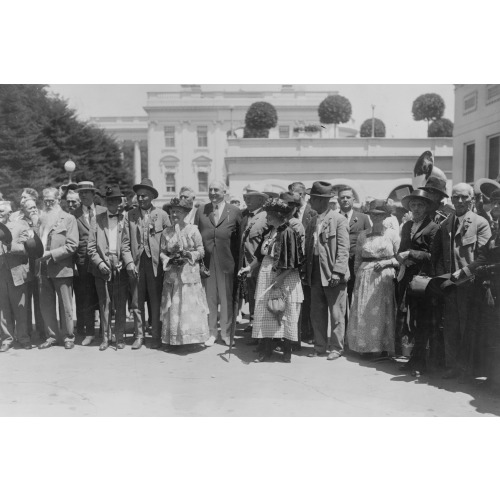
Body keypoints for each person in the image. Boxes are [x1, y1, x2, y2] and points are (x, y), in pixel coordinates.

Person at [431, 183, 491, 378]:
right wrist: (443, 277)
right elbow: (438, 255)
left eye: (464, 197)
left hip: (470, 285)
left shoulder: (480, 222)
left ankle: (468, 369)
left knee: (469, 327)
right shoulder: (445, 224)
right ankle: (453, 366)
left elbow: (483, 257)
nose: (460, 201)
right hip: (449, 285)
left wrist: (461, 274)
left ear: (471, 199)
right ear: (451, 199)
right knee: (450, 326)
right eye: (456, 197)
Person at [239, 198, 304, 363]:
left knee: (284, 311)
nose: (266, 218)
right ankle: (265, 349)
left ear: (277, 216)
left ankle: (286, 351)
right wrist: (249, 268)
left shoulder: (288, 232)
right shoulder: (269, 232)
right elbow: (260, 256)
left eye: (269, 215)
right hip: (266, 273)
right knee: (265, 312)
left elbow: (292, 262)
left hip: (284, 276)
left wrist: (279, 279)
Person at [452, 188, 500, 383]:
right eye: (495, 203)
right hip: (493, 286)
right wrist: (475, 269)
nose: (496, 207)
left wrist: (478, 269)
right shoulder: (495, 229)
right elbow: (483, 256)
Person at [346, 199, 400, 356]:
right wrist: (358, 275)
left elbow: (400, 258)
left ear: (385, 216)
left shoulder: (392, 235)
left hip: (384, 277)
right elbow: (357, 259)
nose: (376, 218)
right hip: (364, 278)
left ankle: (381, 348)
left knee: (381, 313)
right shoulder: (363, 235)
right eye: (373, 215)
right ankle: (364, 346)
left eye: (380, 215)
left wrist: (386, 262)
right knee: (364, 311)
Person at [122, 178, 171, 350]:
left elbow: (169, 240)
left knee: (156, 300)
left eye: (144, 195)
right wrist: (128, 263)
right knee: (136, 301)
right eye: (138, 196)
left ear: (151, 196)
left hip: (155, 263)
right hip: (137, 263)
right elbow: (125, 243)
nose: (141, 199)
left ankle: (156, 335)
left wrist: (166, 258)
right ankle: (139, 335)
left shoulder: (162, 215)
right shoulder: (130, 215)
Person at [304, 181, 350, 360]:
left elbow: (343, 248)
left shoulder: (338, 220)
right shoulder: (313, 220)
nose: (310, 203)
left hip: (332, 271)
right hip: (315, 271)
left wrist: (338, 272)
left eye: (312, 199)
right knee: (317, 311)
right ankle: (320, 345)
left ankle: (336, 348)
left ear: (321, 200)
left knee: (337, 312)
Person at [396, 189, 439, 376]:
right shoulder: (407, 226)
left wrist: (414, 254)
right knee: (409, 319)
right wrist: (401, 258)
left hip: (423, 280)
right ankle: (413, 358)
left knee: (422, 319)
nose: (416, 208)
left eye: (420, 205)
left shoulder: (433, 228)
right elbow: (401, 249)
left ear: (427, 207)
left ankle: (421, 361)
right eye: (413, 205)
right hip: (407, 277)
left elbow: (434, 257)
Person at [194, 181, 241, 347]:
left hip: (227, 261)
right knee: (209, 298)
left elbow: (239, 241)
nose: (213, 192)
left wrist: (239, 264)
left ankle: (226, 333)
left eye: (216, 190)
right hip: (207, 261)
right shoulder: (201, 210)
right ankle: (211, 332)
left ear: (224, 191)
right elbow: (196, 237)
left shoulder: (234, 211)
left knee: (226, 297)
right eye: (210, 189)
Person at [159, 197, 209, 346]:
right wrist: (168, 259)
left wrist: (189, 255)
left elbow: (201, 250)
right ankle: (172, 339)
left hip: (189, 275)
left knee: (189, 306)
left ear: (185, 213)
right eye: (172, 212)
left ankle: (192, 339)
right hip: (172, 276)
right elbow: (162, 252)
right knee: (173, 306)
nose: (174, 215)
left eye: (178, 212)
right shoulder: (166, 232)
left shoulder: (192, 230)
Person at [87, 186, 129, 351]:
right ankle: (105, 337)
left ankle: (119, 337)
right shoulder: (96, 220)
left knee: (120, 303)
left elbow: (127, 244)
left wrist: (123, 262)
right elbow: (91, 247)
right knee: (105, 304)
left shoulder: (125, 219)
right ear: (106, 202)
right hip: (102, 264)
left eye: (118, 201)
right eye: (111, 201)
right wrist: (100, 263)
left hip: (119, 264)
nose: (116, 204)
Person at [37, 187, 79, 349]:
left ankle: (68, 336)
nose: (47, 203)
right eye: (45, 199)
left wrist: (51, 254)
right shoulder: (41, 219)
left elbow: (72, 245)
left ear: (58, 200)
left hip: (62, 268)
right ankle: (52, 336)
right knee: (46, 305)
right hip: (42, 268)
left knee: (65, 305)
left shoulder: (68, 219)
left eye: (51, 200)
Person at [72, 181, 106, 346]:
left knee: (103, 296)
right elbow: (71, 241)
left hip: (101, 261)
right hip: (83, 263)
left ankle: (105, 331)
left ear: (94, 194)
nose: (83, 195)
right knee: (86, 298)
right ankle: (90, 333)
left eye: (86, 192)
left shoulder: (103, 211)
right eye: (81, 193)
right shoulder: (74, 215)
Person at [0, 201, 32, 351]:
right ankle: (7, 339)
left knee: (20, 307)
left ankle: (23, 337)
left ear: (9, 212)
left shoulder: (20, 225)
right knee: (2, 308)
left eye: (1, 211)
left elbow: (27, 248)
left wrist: (8, 245)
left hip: (16, 272)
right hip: (1, 274)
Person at [289, 181, 317, 344]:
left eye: (294, 193)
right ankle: (296, 333)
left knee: (309, 300)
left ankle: (309, 332)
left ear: (302, 194)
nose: (292, 196)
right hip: (293, 262)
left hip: (310, 262)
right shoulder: (289, 212)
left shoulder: (312, 212)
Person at [239, 187, 269, 336]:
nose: (247, 200)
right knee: (251, 295)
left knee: (260, 297)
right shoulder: (244, 215)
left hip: (259, 263)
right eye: (245, 197)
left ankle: (260, 330)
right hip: (247, 264)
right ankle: (253, 323)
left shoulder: (266, 217)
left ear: (261, 200)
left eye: (251, 197)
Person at [337, 185, 371, 309]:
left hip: (356, 263)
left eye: (348, 197)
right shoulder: (334, 218)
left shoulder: (363, 218)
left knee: (355, 297)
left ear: (353, 200)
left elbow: (369, 240)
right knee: (338, 299)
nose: (345, 199)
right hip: (338, 263)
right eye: (342, 197)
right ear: (338, 200)